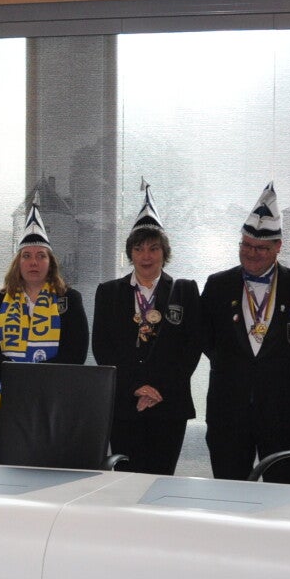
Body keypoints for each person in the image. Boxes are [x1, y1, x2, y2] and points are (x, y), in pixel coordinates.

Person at [199, 182, 290, 483]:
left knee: (283, 494)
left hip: (283, 413)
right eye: (246, 245)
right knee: (229, 494)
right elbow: (205, 337)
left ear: (278, 247)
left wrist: (282, 371)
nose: (251, 254)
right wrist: (235, 367)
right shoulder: (217, 285)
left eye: (261, 248)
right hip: (228, 411)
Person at [93, 185, 202, 474]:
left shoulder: (185, 291)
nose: (146, 256)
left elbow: (191, 349)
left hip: (169, 404)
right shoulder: (108, 292)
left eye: (154, 248)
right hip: (124, 404)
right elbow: (102, 348)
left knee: (161, 479)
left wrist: (157, 389)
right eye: (139, 248)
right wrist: (136, 387)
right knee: (125, 481)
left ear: (165, 253)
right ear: (130, 253)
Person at [0, 198, 88, 453]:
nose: (33, 262)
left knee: (50, 465)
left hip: (54, 402)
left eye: (40, 256)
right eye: (26, 256)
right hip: (5, 402)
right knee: (6, 465)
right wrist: (18, 378)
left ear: (51, 262)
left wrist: (34, 380)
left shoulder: (69, 299)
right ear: (18, 262)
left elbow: (75, 354)